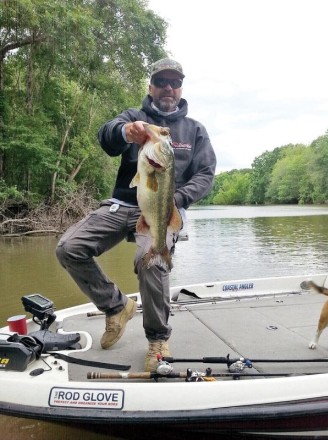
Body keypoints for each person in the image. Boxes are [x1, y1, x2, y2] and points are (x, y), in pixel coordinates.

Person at [56, 58, 217, 372]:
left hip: (163, 208)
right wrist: (126, 132)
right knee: (69, 248)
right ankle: (116, 306)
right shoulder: (135, 116)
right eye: (161, 82)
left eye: (174, 82)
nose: (168, 88)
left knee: (153, 259)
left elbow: (206, 174)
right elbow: (107, 137)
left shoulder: (195, 130)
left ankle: (157, 339)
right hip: (123, 204)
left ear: (181, 88)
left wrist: (176, 198)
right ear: (151, 87)